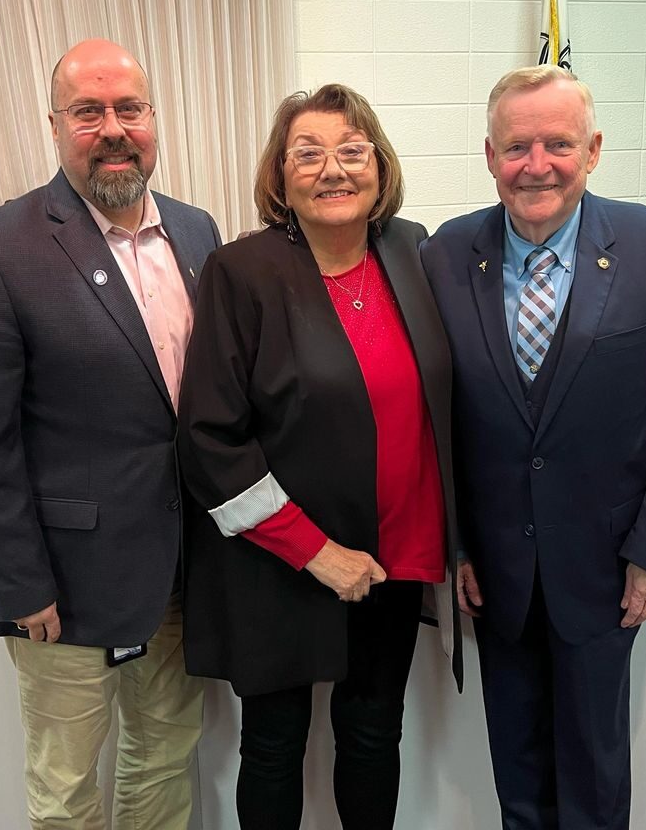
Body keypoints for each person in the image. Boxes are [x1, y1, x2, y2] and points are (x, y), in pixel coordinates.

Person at [0, 39, 220, 830]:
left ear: (154, 120)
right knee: (66, 790)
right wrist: (18, 584)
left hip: (184, 572)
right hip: (66, 584)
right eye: (89, 111)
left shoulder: (197, 234)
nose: (113, 127)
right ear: (55, 125)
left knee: (163, 758)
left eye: (129, 108)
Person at [420, 65, 646, 830]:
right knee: (517, 776)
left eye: (558, 143)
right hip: (494, 573)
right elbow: (436, 423)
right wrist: (454, 548)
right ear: (489, 155)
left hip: (606, 567)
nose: (536, 164)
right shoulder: (445, 255)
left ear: (593, 150)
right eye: (517, 147)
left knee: (593, 780)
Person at [176, 83, 461, 830]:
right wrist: (314, 551)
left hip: (394, 557)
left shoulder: (413, 251)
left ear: (379, 166)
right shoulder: (241, 273)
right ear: (280, 176)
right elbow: (209, 438)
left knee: (374, 734)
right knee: (274, 745)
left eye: (351, 150)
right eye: (309, 153)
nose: (333, 169)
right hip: (282, 559)